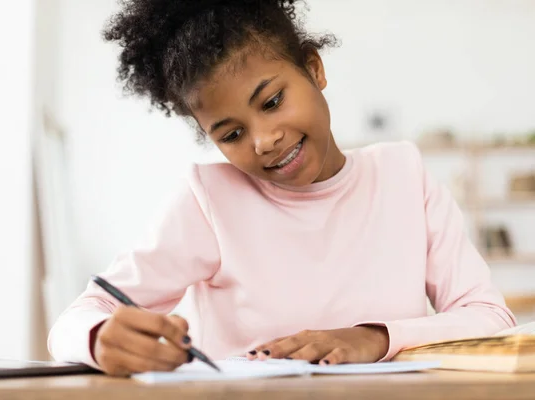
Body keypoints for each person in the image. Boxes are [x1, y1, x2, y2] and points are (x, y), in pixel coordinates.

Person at [47, 0, 515, 377]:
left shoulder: (404, 176)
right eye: (231, 134)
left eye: (272, 101)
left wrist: (374, 338)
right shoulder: (210, 200)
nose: (263, 140)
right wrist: (99, 337)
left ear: (314, 70)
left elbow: (490, 317)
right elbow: (77, 317)